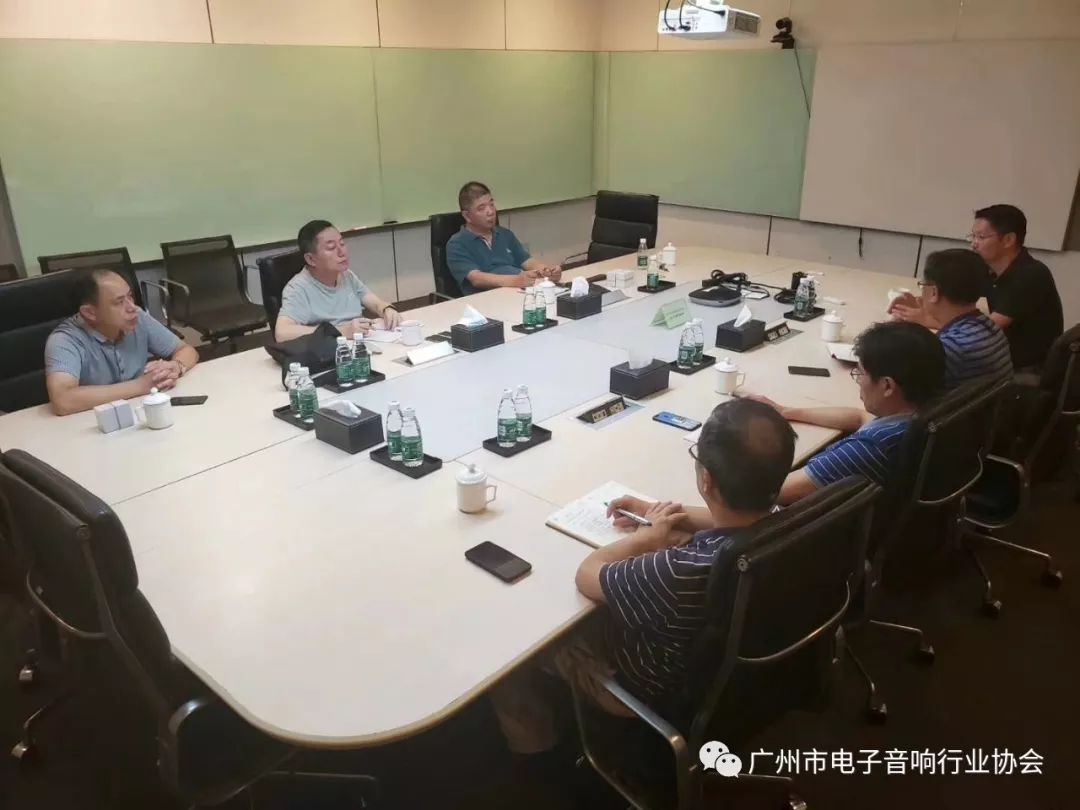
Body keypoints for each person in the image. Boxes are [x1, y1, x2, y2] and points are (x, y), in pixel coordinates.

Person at [490, 399, 796, 757]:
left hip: (646, 689)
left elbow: (587, 574)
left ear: (706, 479)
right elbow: (740, 519)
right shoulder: (790, 520)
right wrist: (661, 515)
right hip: (742, 680)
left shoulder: (678, 571)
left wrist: (645, 540)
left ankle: (536, 755)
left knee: (517, 636)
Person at [745, 321, 945, 505]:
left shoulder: (870, 448)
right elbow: (858, 417)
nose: (858, 381)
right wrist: (786, 412)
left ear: (887, 386)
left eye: (860, 373)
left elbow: (766, 494)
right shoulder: (921, 416)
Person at [891, 205, 1062, 371]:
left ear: (1008, 240)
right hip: (992, 357)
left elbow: (986, 329)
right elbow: (955, 297)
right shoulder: (988, 268)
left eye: (981, 237)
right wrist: (921, 302)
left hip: (1022, 368)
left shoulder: (1030, 275)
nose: (973, 244)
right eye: (972, 236)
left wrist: (926, 318)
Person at [44, 269, 199, 416]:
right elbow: (63, 400)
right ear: (90, 313)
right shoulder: (65, 340)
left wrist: (176, 366)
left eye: (130, 296)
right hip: (94, 422)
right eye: (119, 302)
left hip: (140, 411)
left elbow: (186, 350)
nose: (132, 307)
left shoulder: (137, 318)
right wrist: (141, 385)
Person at [275, 220, 401, 342]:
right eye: (331, 248)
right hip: (331, 350)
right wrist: (340, 331)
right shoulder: (298, 288)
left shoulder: (346, 275)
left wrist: (386, 309)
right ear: (311, 259)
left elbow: (372, 300)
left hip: (361, 344)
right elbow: (282, 333)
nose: (342, 252)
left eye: (342, 244)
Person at [912, 248, 1012, 389]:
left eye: (923, 285)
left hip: (955, 403)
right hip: (990, 401)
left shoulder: (950, 348)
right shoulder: (989, 326)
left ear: (934, 292)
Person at [446, 181, 562, 295]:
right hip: (486, 299)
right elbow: (477, 279)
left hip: (517, 293)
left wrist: (546, 271)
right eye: (481, 208)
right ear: (467, 216)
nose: (490, 212)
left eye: (491, 204)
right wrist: (517, 280)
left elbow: (527, 261)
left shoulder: (505, 234)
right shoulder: (457, 244)